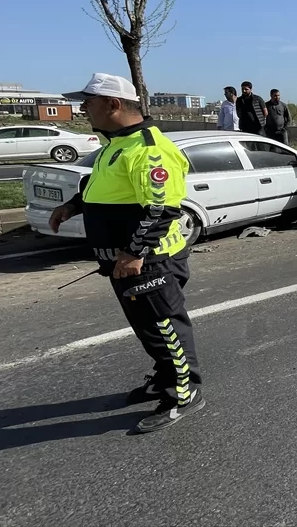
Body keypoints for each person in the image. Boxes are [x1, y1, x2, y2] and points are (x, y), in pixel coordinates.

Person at [50, 73, 205, 433]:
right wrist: (74, 206)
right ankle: (165, 376)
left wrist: (134, 253)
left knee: (165, 328)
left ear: (113, 104)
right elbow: (104, 188)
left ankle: (185, 392)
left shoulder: (149, 148)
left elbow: (162, 208)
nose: (82, 109)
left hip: (147, 260)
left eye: (88, 102)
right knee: (147, 328)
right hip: (123, 261)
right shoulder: (115, 144)